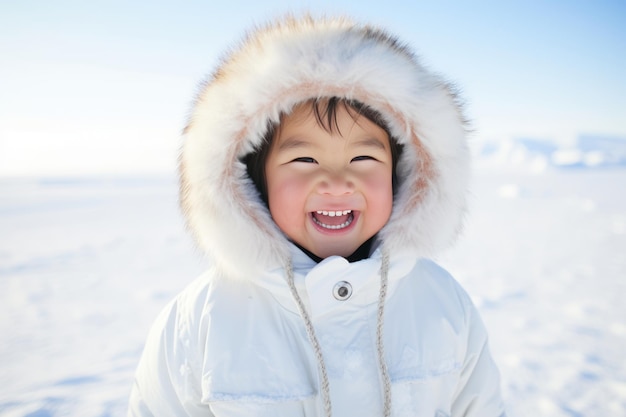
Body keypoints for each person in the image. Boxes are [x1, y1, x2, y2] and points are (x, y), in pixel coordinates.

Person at [128, 14, 506, 417]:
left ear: (402, 176)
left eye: (363, 157)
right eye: (304, 159)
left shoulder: (442, 304)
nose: (337, 182)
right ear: (254, 181)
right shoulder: (201, 319)